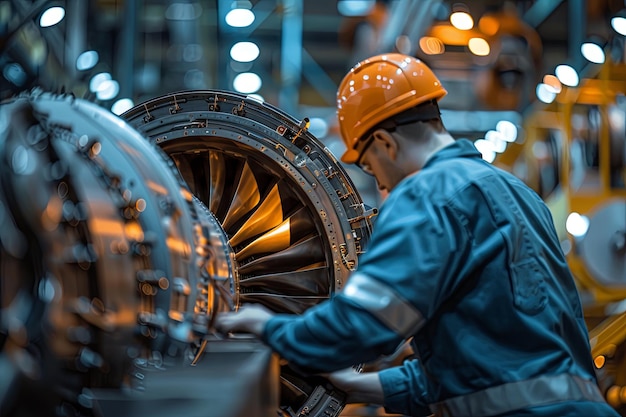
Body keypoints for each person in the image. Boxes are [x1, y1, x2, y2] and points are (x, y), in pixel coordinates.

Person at [214, 53, 619, 417]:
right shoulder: (518, 194)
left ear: (386, 144)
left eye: (370, 167)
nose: (381, 185)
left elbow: (363, 324)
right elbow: (489, 366)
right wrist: (360, 386)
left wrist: (266, 326)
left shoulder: (428, 193)